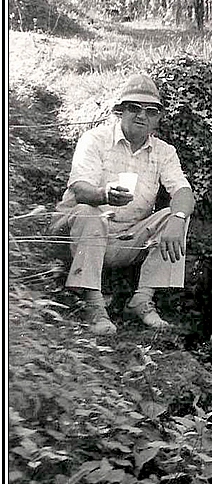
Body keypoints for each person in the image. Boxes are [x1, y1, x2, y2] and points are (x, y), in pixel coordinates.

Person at [50, 74, 194, 335]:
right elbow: (80, 189)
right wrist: (104, 195)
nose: (142, 116)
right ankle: (93, 304)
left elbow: (183, 190)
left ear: (158, 118)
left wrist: (179, 217)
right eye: (134, 108)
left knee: (173, 216)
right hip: (77, 233)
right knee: (88, 212)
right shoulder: (95, 139)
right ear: (119, 111)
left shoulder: (164, 151)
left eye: (150, 111)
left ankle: (142, 299)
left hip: (127, 236)